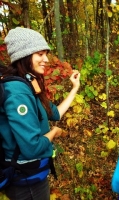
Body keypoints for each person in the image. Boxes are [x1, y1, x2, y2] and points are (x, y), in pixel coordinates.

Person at [0, 27, 80, 200]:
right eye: (40, 54)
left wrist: (75, 89)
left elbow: (55, 113)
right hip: (25, 179)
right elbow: (32, 148)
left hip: (32, 175)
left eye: (46, 54)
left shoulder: (28, 83)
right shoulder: (18, 92)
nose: (46, 59)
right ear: (24, 56)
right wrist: (54, 132)